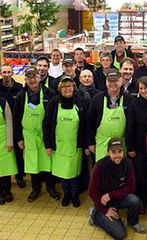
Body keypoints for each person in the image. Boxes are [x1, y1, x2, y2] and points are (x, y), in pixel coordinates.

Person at [13, 66, 59, 202]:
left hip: (45, 135)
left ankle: (51, 188)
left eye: (34, 77)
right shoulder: (22, 96)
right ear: (25, 79)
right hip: (29, 136)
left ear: (39, 77)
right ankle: (36, 189)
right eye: (29, 77)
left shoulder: (49, 93)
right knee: (33, 164)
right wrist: (19, 138)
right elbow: (16, 118)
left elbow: (53, 116)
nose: (32, 80)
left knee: (48, 163)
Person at [88, 138, 147, 239]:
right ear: (108, 153)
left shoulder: (128, 164)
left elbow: (131, 187)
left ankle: (133, 222)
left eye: (120, 151)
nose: (117, 155)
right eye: (113, 152)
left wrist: (111, 195)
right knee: (120, 234)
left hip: (118, 198)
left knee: (135, 201)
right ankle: (94, 214)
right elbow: (92, 191)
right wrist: (104, 210)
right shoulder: (99, 166)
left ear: (123, 151)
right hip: (104, 203)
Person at [43, 75, 87, 207]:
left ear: (74, 87)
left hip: (75, 145)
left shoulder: (80, 102)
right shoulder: (53, 103)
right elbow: (47, 124)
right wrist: (48, 145)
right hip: (59, 145)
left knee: (74, 172)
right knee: (63, 172)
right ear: (60, 89)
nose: (67, 89)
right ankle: (66, 193)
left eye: (69, 86)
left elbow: (84, 125)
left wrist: (85, 145)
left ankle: (74, 194)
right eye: (64, 86)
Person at [126, 76, 147, 212]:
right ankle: (139, 201)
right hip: (138, 147)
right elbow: (129, 127)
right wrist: (130, 147)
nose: (143, 91)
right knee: (139, 175)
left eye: (145, 88)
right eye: (140, 89)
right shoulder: (134, 104)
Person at [87, 69, 132, 162]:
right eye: (110, 81)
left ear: (121, 81)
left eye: (115, 81)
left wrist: (131, 145)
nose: (113, 84)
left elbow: (132, 124)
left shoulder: (128, 99)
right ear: (106, 82)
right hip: (102, 144)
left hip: (121, 145)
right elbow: (89, 123)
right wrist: (90, 142)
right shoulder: (97, 99)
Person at [0, 64, 25, 188]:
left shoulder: (19, 88)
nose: (6, 75)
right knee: (5, 155)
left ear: (12, 73)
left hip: (18, 125)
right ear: (1, 73)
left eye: (8, 72)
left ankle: (20, 176)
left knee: (19, 153)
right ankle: (5, 179)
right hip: (4, 127)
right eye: (4, 72)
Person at [0, 97, 17, 204]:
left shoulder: (2, 102)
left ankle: (7, 191)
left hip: (4, 140)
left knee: (6, 169)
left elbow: (10, 122)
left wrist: (10, 141)